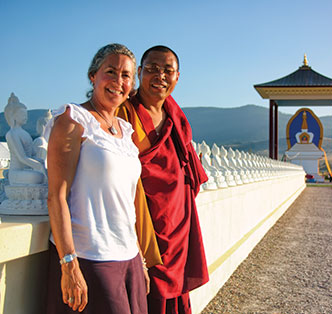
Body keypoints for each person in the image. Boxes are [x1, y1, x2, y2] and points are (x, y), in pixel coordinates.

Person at [45, 43, 148, 314]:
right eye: (110, 72)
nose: (118, 81)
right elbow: (56, 195)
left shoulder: (125, 132)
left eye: (126, 75)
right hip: (90, 258)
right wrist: (69, 264)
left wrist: (140, 261)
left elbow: (124, 203)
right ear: (93, 75)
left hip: (129, 258)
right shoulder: (74, 120)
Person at [117, 45, 209, 314]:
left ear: (177, 77)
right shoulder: (124, 113)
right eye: (152, 69)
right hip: (142, 219)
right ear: (140, 73)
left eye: (168, 71)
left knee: (174, 296)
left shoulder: (175, 117)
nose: (160, 76)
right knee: (144, 295)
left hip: (177, 220)